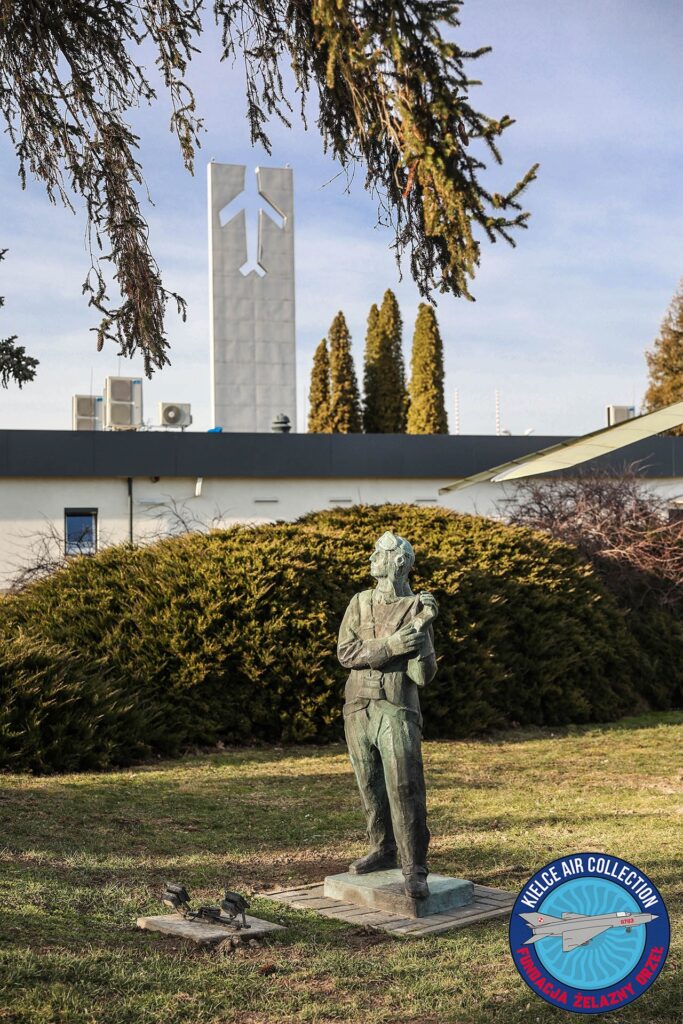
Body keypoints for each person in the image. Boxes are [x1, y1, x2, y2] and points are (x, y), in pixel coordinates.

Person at [337, 530, 438, 898]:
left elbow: (422, 676)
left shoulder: (416, 608)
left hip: (396, 709)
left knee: (405, 786)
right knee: (370, 785)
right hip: (358, 707)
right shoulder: (360, 602)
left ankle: (414, 868)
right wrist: (391, 645)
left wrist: (424, 626)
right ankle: (382, 849)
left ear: (398, 562)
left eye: (378, 553)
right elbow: (346, 653)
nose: (371, 558)